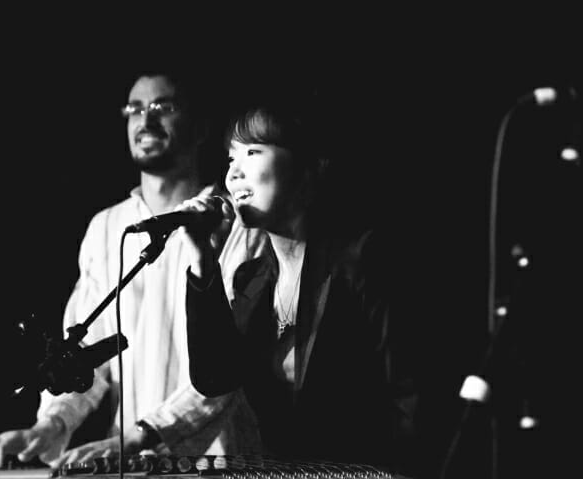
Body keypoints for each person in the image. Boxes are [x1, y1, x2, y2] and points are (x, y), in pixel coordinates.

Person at [0, 73, 264, 470]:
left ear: (200, 129)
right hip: (127, 465)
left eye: (163, 107)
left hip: (216, 463)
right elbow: (86, 352)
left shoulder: (238, 223)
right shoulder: (107, 227)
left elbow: (227, 369)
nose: (146, 120)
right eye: (134, 109)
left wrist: (142, 435)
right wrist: (50, 425)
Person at [176, 102, 420, 474]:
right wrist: (203, 260)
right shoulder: (252, 280)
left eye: (253, 152)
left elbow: (412, 399)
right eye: (230, 158)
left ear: (307, 168)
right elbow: (214, 377)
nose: (233, 173)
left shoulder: (365, 260)